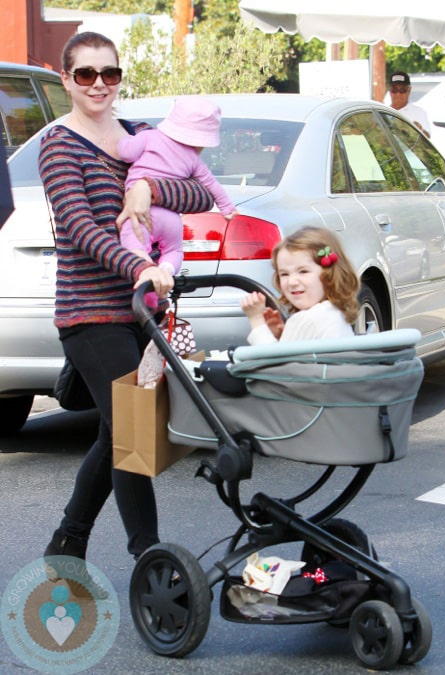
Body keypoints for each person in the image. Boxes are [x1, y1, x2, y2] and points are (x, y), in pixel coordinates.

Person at [38, 31, 214, 562]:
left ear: (119, 78)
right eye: (86, 74)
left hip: (145, 312)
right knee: (131, 429)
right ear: (66, 78)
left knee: (119, 431)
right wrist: (139, 265)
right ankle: (150, 558)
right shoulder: (58, 143)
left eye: (109, 74)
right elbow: (81, 228)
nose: (99, 85)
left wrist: (151, 189)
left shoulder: (141, 135)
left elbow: (201, 190)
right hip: (90, 314)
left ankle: (68, 542)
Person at [118, 95, 237, 308]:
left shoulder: (149, 137)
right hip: (171, 219)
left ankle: (149, 282)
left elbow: (126, 153)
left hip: (143, 215)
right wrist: (227, 208)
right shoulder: (194, 160)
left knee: (135, 246)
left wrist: (124, 141)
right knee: (174, 251)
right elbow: (212, 187)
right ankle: (165, 271)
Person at [240, 227, 360, 344]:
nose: (292, 282)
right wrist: (280, 336)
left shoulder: (306, 320)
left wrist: (256, 320)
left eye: (303, 272)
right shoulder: (335, 313)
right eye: (284, 274)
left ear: (330, 275)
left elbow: (273, 362)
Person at [387, 71, 431, 139]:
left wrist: (419, 130)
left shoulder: (419, 112)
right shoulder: (383, 111)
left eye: (402, 90)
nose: (398, 94)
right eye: (394, 89)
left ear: (409, 90)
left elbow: (427, 138)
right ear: (389, 90)